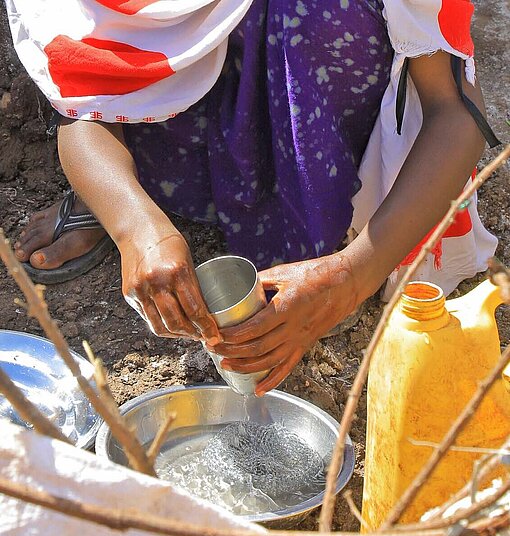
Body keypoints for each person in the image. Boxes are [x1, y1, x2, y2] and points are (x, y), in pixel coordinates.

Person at [6, 0, 500, 396]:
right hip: (182, 124)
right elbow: (79, 79)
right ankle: (122, 191)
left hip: (316, 118)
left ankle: (319, 225)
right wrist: (135, 226)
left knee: (308, 14)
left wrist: (353, 274)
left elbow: (453, 112)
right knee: (131, 65)